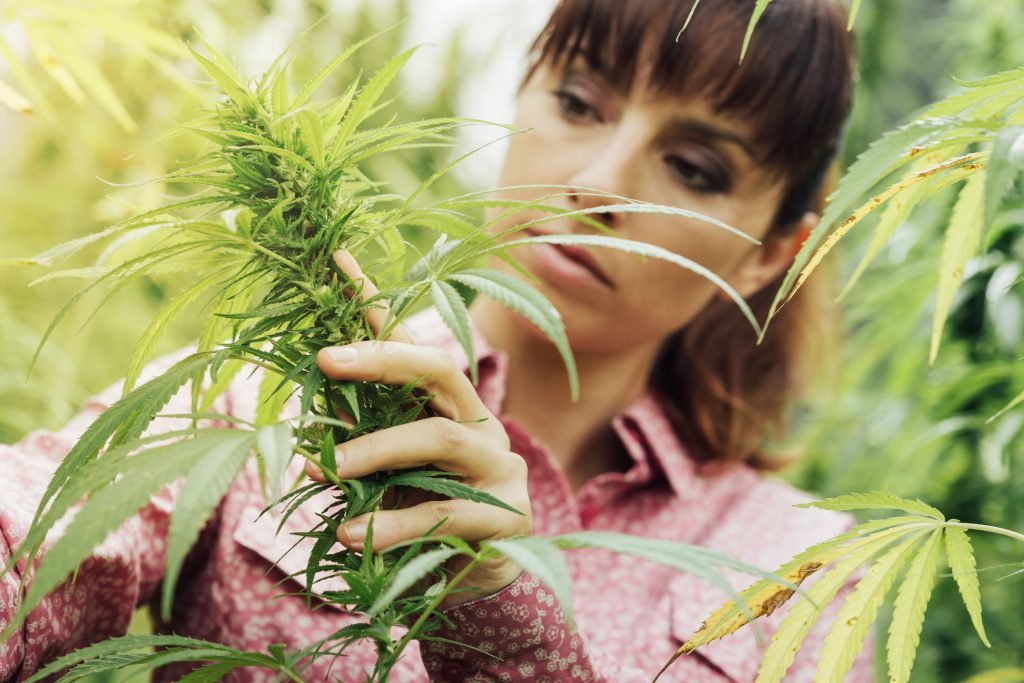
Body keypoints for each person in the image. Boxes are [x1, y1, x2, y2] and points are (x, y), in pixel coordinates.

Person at [0, 0, 873, 680]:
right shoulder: (274, 395)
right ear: (522, 91)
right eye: (577, 103)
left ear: (770, 257)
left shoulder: (803, 575)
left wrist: (496, 616)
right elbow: (36, 539)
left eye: (694, 168)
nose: (599, 182)